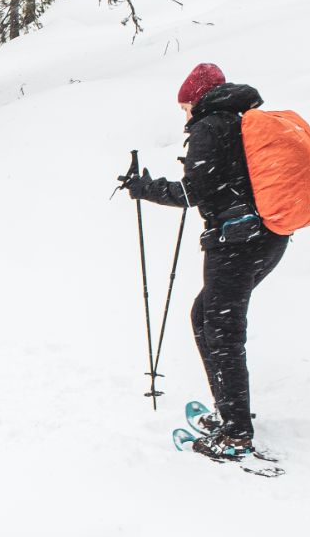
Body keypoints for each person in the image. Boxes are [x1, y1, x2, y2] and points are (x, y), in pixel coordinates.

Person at [123, 63, 287, 459]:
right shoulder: (241, 120)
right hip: (268, 238)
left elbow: (190, 192)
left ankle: (236, 434)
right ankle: (230, 415)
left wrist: (144, 188)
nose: (185, 116)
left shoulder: (211, 126)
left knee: (221, 329)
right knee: (207, 318)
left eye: (185, 107)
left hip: (236, 242)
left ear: (196, 100)